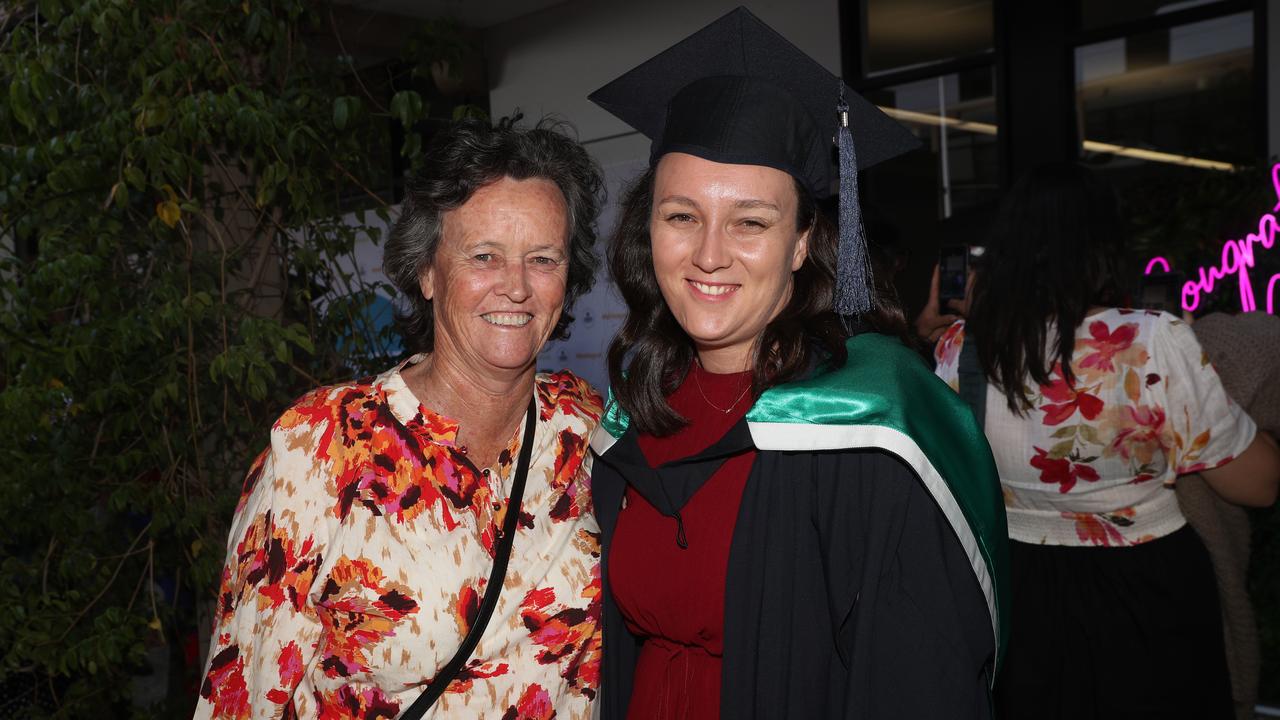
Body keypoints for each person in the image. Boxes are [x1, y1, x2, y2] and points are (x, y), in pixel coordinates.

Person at [587, 8, 1009, 719]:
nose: (710, 253)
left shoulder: (871, 426)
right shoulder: (640, 408)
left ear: (801, 242)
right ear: (646, 227)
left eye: (751, 221)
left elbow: (920, 683)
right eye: (681, 215)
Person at [194, 119, 607, 719]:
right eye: (484, 255)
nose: (516, 287)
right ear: (428, 272)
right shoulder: (320, 448)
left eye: (542, 258)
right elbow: (242, 695)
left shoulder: (586, 429)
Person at [932, 163, 1280, 719]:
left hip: (1019, 595)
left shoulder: (960, 349)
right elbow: (1259, 485)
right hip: (1146, 590)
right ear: (1105, 246)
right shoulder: (1151, 340)